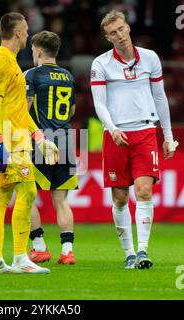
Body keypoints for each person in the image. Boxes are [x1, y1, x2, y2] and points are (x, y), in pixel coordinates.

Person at [90, 10, 178, 269]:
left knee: (143, 191)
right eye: (113, 33)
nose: (119, 35)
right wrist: (113, 128)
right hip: (115, 136)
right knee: (119, 197)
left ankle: (142, 251)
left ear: (128, 28)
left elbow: (160, 97)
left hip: (145, 132)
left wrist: (168, 136)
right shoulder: (101, 64)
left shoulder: (150, 58)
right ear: (108, 38)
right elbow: (99, 103)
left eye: (121, 29)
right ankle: (128, 252)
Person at [0, 12, 59, 274]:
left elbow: (18, 110)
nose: (28, 34)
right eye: (26, 30)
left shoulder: (9, 62)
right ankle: (20, 258)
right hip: (9, 142)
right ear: (17, 33)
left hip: (12, 138)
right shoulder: (2, 61)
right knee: (27, 193)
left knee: (0, 197)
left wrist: (39, 137)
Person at [23, 31, 77, 265]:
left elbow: (25, 108)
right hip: (65, 139)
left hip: (40, 141)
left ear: (38, 51)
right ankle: (67, 252)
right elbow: (72, 111)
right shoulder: (68, 76)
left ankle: (39, 247)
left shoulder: (32, 75)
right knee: (61, 201)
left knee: (26, 196)